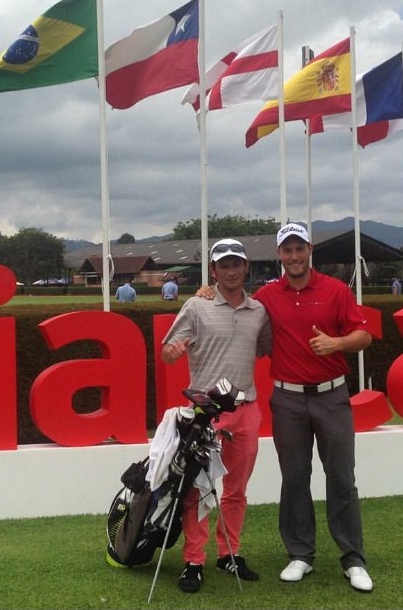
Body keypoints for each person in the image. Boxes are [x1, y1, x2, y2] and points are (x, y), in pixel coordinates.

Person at [198, 223, 374, 592]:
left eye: (299, 249)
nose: (294, 256)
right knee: (295, 478)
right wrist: (206, 291)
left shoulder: (336, 290)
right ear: (279, 254)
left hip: (332, 396)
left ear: (309, 249)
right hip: (288, 398)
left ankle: (352, 558)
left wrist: (338, 343)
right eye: (287, 250)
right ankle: (300, 554)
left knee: (341, 477)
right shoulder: (266, 296)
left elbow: (365, 335)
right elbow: (233, 303)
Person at [161, 238, 271, 593]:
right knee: (197, 490)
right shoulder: (197, 305)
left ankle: (229, 553)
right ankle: (194, 560)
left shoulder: (259, 311)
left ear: (246, 267)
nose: (231, 270)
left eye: (236, 263)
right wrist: (173, 351)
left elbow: (272, 346)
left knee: (236, 490)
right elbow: (166, 352)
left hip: (246, 410)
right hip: (205, 415)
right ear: (213, 271)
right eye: (223, 265)